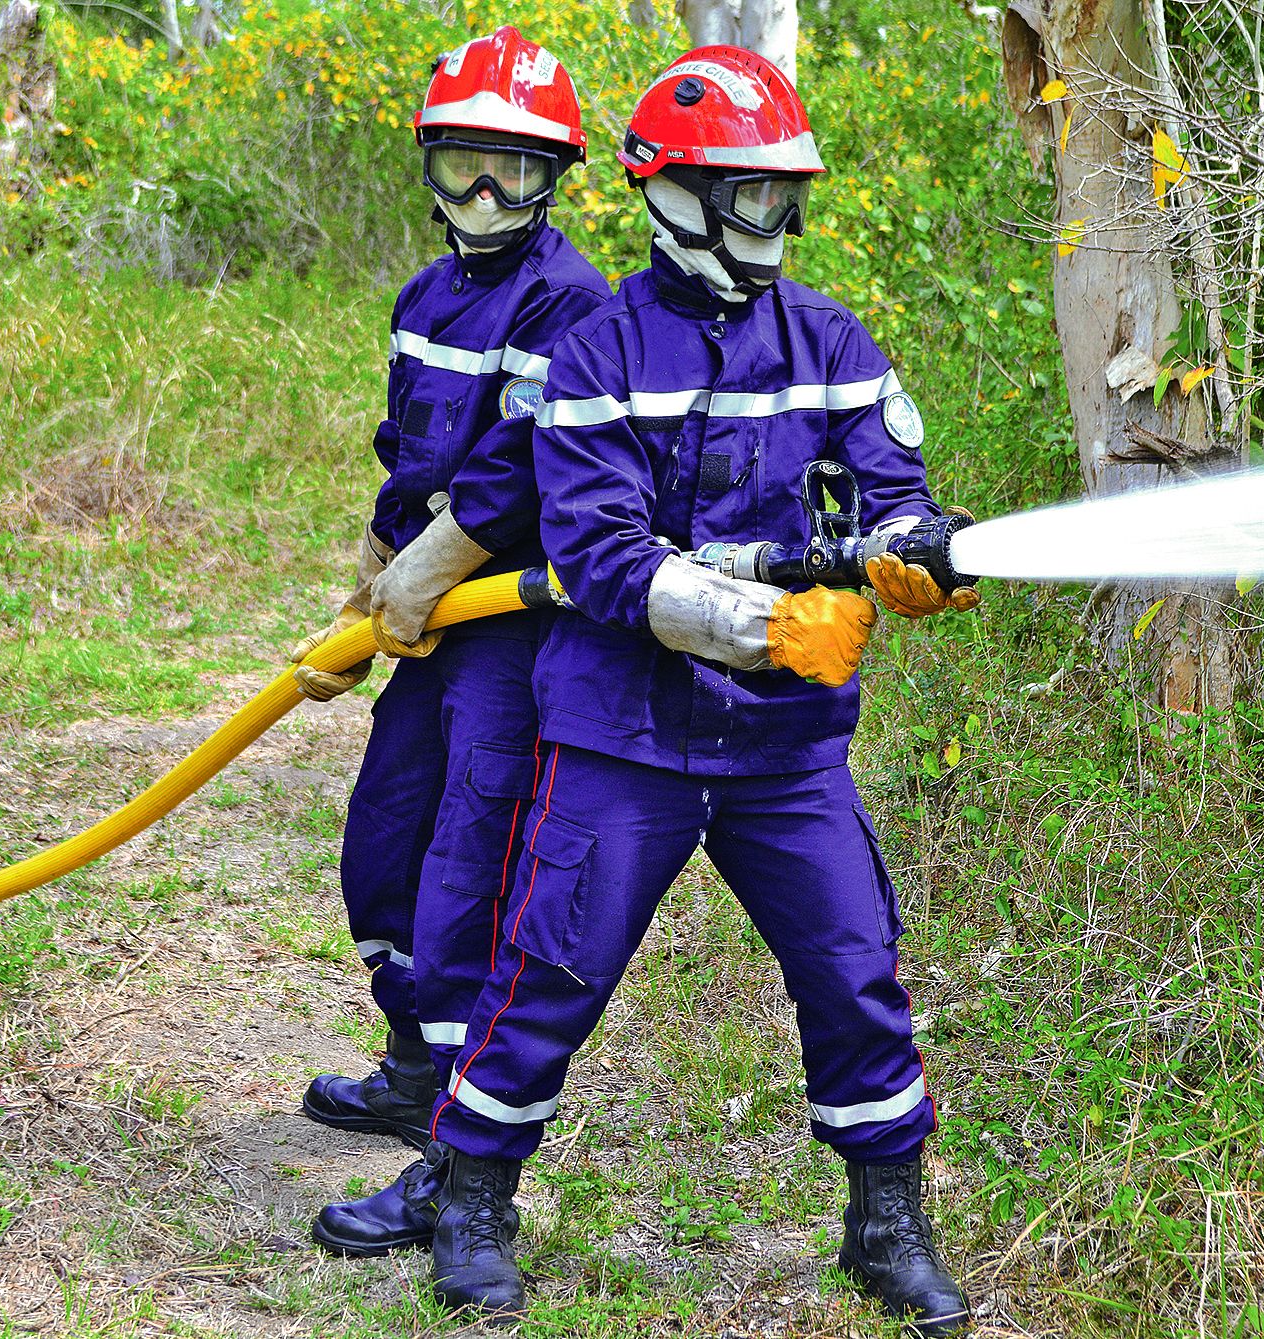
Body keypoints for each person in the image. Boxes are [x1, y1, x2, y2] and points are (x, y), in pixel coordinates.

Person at [407, 47, 980, 1335]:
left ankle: (885, 1220)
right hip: (621, 738)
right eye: (751, 196)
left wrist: (915, 560)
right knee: (550, 968)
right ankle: (472, 1196)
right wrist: (765, 622)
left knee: (851, 967)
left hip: (785, 753)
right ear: (674, 194)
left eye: (786, 199)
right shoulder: (595, 351)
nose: (772, 224)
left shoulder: (830, 341)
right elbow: (603, 559)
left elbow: (892, 494)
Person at [283, 27, 608, 1233]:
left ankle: (460, 1130)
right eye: (466, 162)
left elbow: (519, 472)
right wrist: (367, 581)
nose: (486, 192)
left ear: (555, 176)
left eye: (513, 169)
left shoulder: (574, 302)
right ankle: (411, 1067)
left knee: (468, 859)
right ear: (430, 165)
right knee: (384, 837)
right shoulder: (421, 299)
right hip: (423, 618)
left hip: (509, 631)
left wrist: (429, 569)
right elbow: (403, 459)